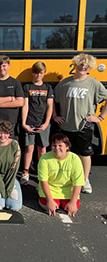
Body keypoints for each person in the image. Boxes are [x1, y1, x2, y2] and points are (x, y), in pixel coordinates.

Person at [53, 53, 107, 194]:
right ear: (75, 65)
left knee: (84, 153)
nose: (83, 67)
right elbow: (52, 99)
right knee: (64, 152)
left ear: (90, 68)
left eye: (86, 65)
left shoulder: (93, 83)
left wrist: (100, 117)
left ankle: (84, 179)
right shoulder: (64, 83)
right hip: (66, 124)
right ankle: (65, 178)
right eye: (81, 64)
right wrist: (54, 115)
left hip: (85, 125)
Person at [20, 62, 54, 185]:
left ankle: (42, 173)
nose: (38, 75)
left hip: (43, 123)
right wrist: (24, 123)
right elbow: (25, 106)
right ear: (32, 73)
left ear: (44, 73)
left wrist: (46, 123)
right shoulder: (27, 87)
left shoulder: (48, 88)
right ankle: (25, 172)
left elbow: (50, 107)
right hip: (30, 122)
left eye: (40, 73)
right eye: (36, 72)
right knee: (29, 148)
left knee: (42, 149)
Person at [38, 133, 85, 217]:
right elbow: (43, 180)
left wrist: (73, 202)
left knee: (72, 207)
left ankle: (64, 203)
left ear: (67, 146)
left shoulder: (75, 159)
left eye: (60, 145)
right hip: (51, 188)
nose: (57, 148)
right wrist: (50, 200)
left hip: (67, 189)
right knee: (49, 206)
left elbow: (78, 182)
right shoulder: (44, 158)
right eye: (54, 145)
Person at [0, 55, 24, 141]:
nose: (1, 68)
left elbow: (20, 102)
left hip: (12, 123)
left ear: (9, 66)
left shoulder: (15, 83)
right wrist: (10, 98)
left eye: (4, 66)